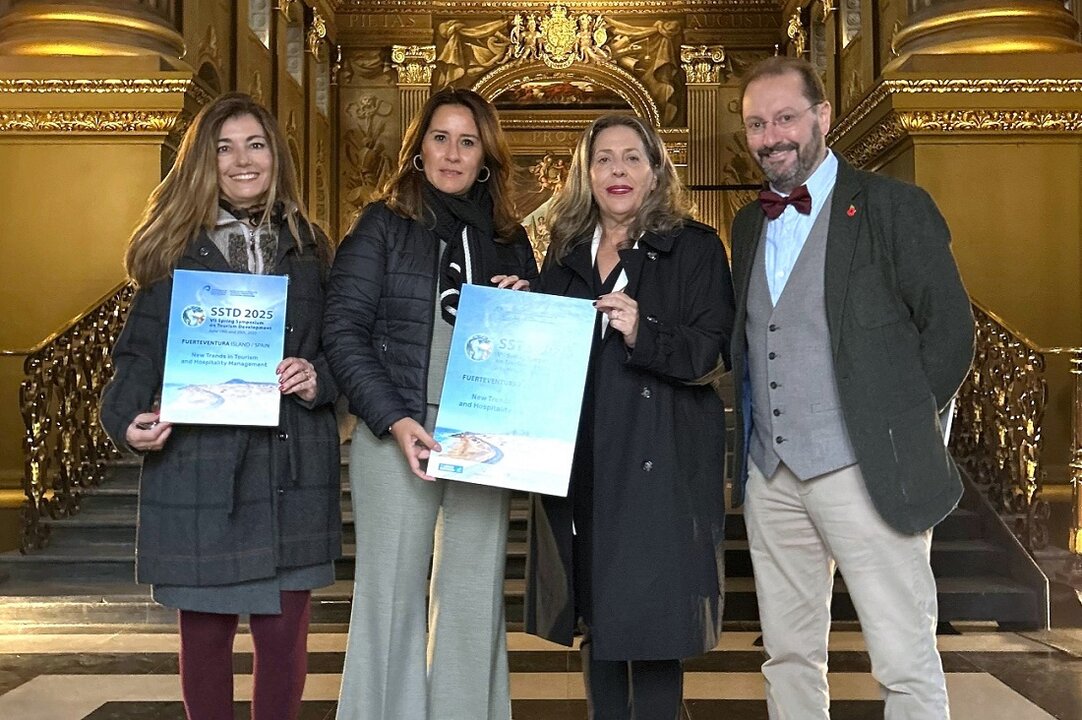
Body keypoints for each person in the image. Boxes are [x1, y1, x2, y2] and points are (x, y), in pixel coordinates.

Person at [729, 56, 975, 718]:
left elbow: (951, 334)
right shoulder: (748, 224)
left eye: (785, 117)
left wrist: (898, 429)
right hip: (772, 477)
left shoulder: (896, 207)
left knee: (903, 657)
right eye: (757, 123)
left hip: (866, 470)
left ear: (823, 117)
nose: (771, 135)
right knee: (787, 656)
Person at [99, 92, 341, 720]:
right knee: (204, 640)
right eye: (223, 147)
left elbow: (344, 346)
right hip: (201, 466)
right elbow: (136, 356)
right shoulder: (172, 248)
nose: (241, 160)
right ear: (203, 161)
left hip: (291, 464)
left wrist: (318, 378)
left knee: (285, 641)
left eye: (255, 144)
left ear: (275, 156)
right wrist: (128, 422)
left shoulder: (310, 245)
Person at [323, 87, 538, 720]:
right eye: (440, 138)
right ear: (418, 150)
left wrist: (523, 298)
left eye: (467, 141)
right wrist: (393, 418)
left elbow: (534, 336)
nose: (452, 153)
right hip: (397, 429)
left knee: (473, 592)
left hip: (484, 435)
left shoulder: (510, 238)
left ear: (486, 157)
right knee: (389, 594)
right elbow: (342, 329)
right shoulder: (382, 226)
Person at [524, 114, 735, 719]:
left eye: (632, 158)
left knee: (655, 628)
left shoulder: (695, 247)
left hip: (658, 466)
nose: (617, 170)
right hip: (584, 463)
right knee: (600, 624)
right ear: (585, 175)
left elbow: (710, 352)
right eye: (603, 159)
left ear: (656, 171)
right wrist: (519, 305)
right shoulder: (564, 256)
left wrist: (646, 329)